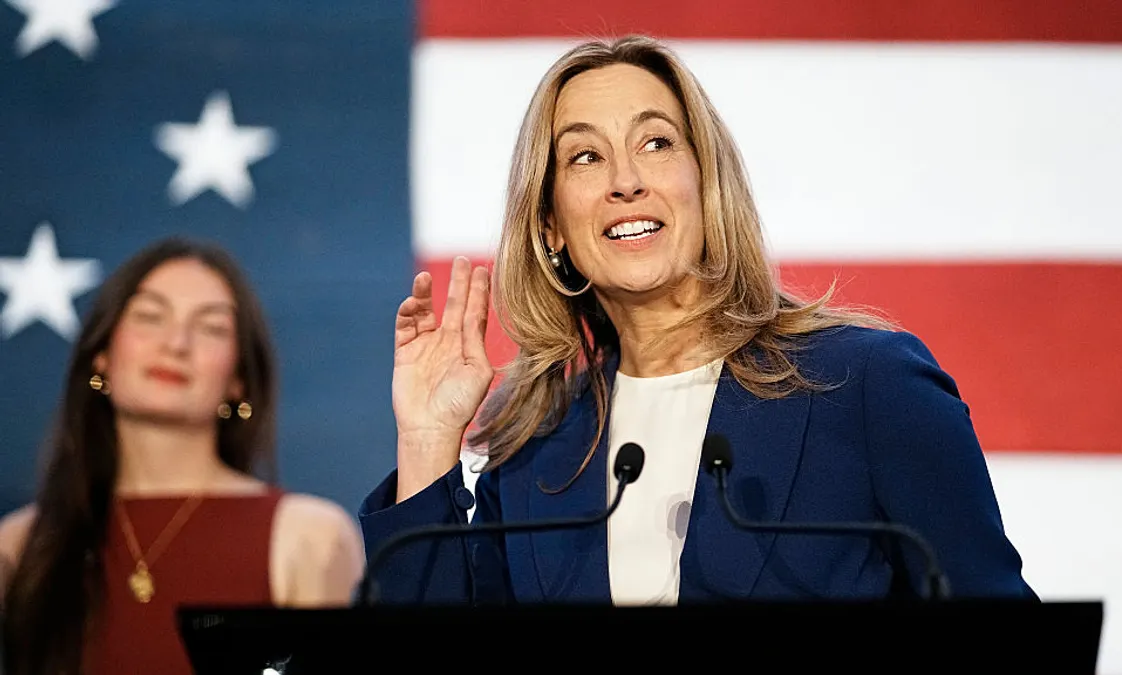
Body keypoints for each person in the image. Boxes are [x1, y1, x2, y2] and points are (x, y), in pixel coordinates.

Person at [359, 34, 1035, 605]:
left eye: (656, 143)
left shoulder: (866, 384)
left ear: (706, 186)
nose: (626, 180)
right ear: (551, 227)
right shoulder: (537, 441)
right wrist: (427, 438)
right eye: (585, 156)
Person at [0, 238, 365, 675]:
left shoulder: (309, 536)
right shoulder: (19, 548)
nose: (176, 343)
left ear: (239, 381)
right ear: (100, 356)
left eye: (211, 327)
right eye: (149, 317)